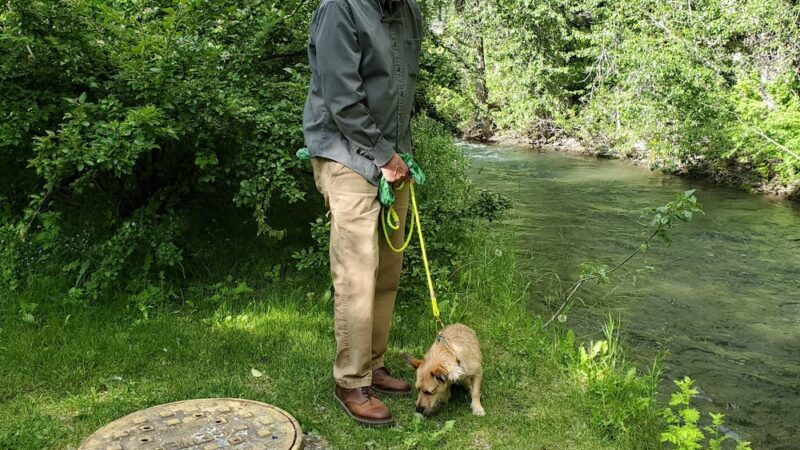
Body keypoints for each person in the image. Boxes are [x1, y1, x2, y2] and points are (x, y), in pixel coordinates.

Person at [302, 0, 423, 426]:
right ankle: (351, 381)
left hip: (392, 157)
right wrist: (385, 155)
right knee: (356, 273)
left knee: (387, 270)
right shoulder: (341, 8)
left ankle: (373, 366)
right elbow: (341, 97)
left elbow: (403, 90)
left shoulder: (407, 10)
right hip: (347, 155)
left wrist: (399, 154)